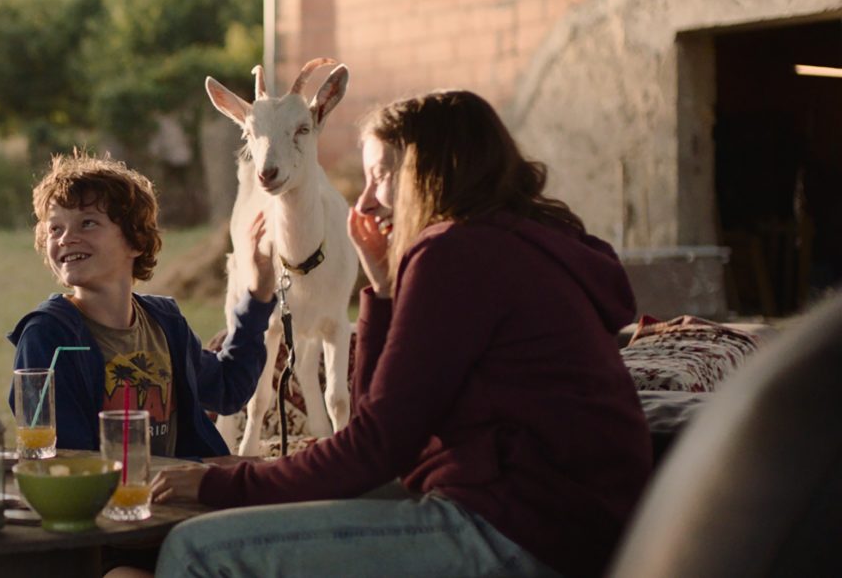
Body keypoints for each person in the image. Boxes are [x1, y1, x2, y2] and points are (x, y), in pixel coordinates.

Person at [146, 90, 653, 578]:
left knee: (195, 549)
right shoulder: (517, 241)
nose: (365, 202)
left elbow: (374, 447)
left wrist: (225, 482)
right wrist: (385, 290)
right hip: (564, 519)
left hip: (523, 528)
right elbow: (381, 421)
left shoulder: (456, 254)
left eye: (380, 177)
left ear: (430, 173)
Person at [7, 151, 276, 460]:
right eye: (55, 228)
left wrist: (258, 296)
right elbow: (69, 461)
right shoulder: (47, 336)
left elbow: (228, 389)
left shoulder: (165, 323)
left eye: (87, 223)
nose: (66, 238)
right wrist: (196, 471)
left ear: (135, 241)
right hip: (105, 491)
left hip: (176, 485)